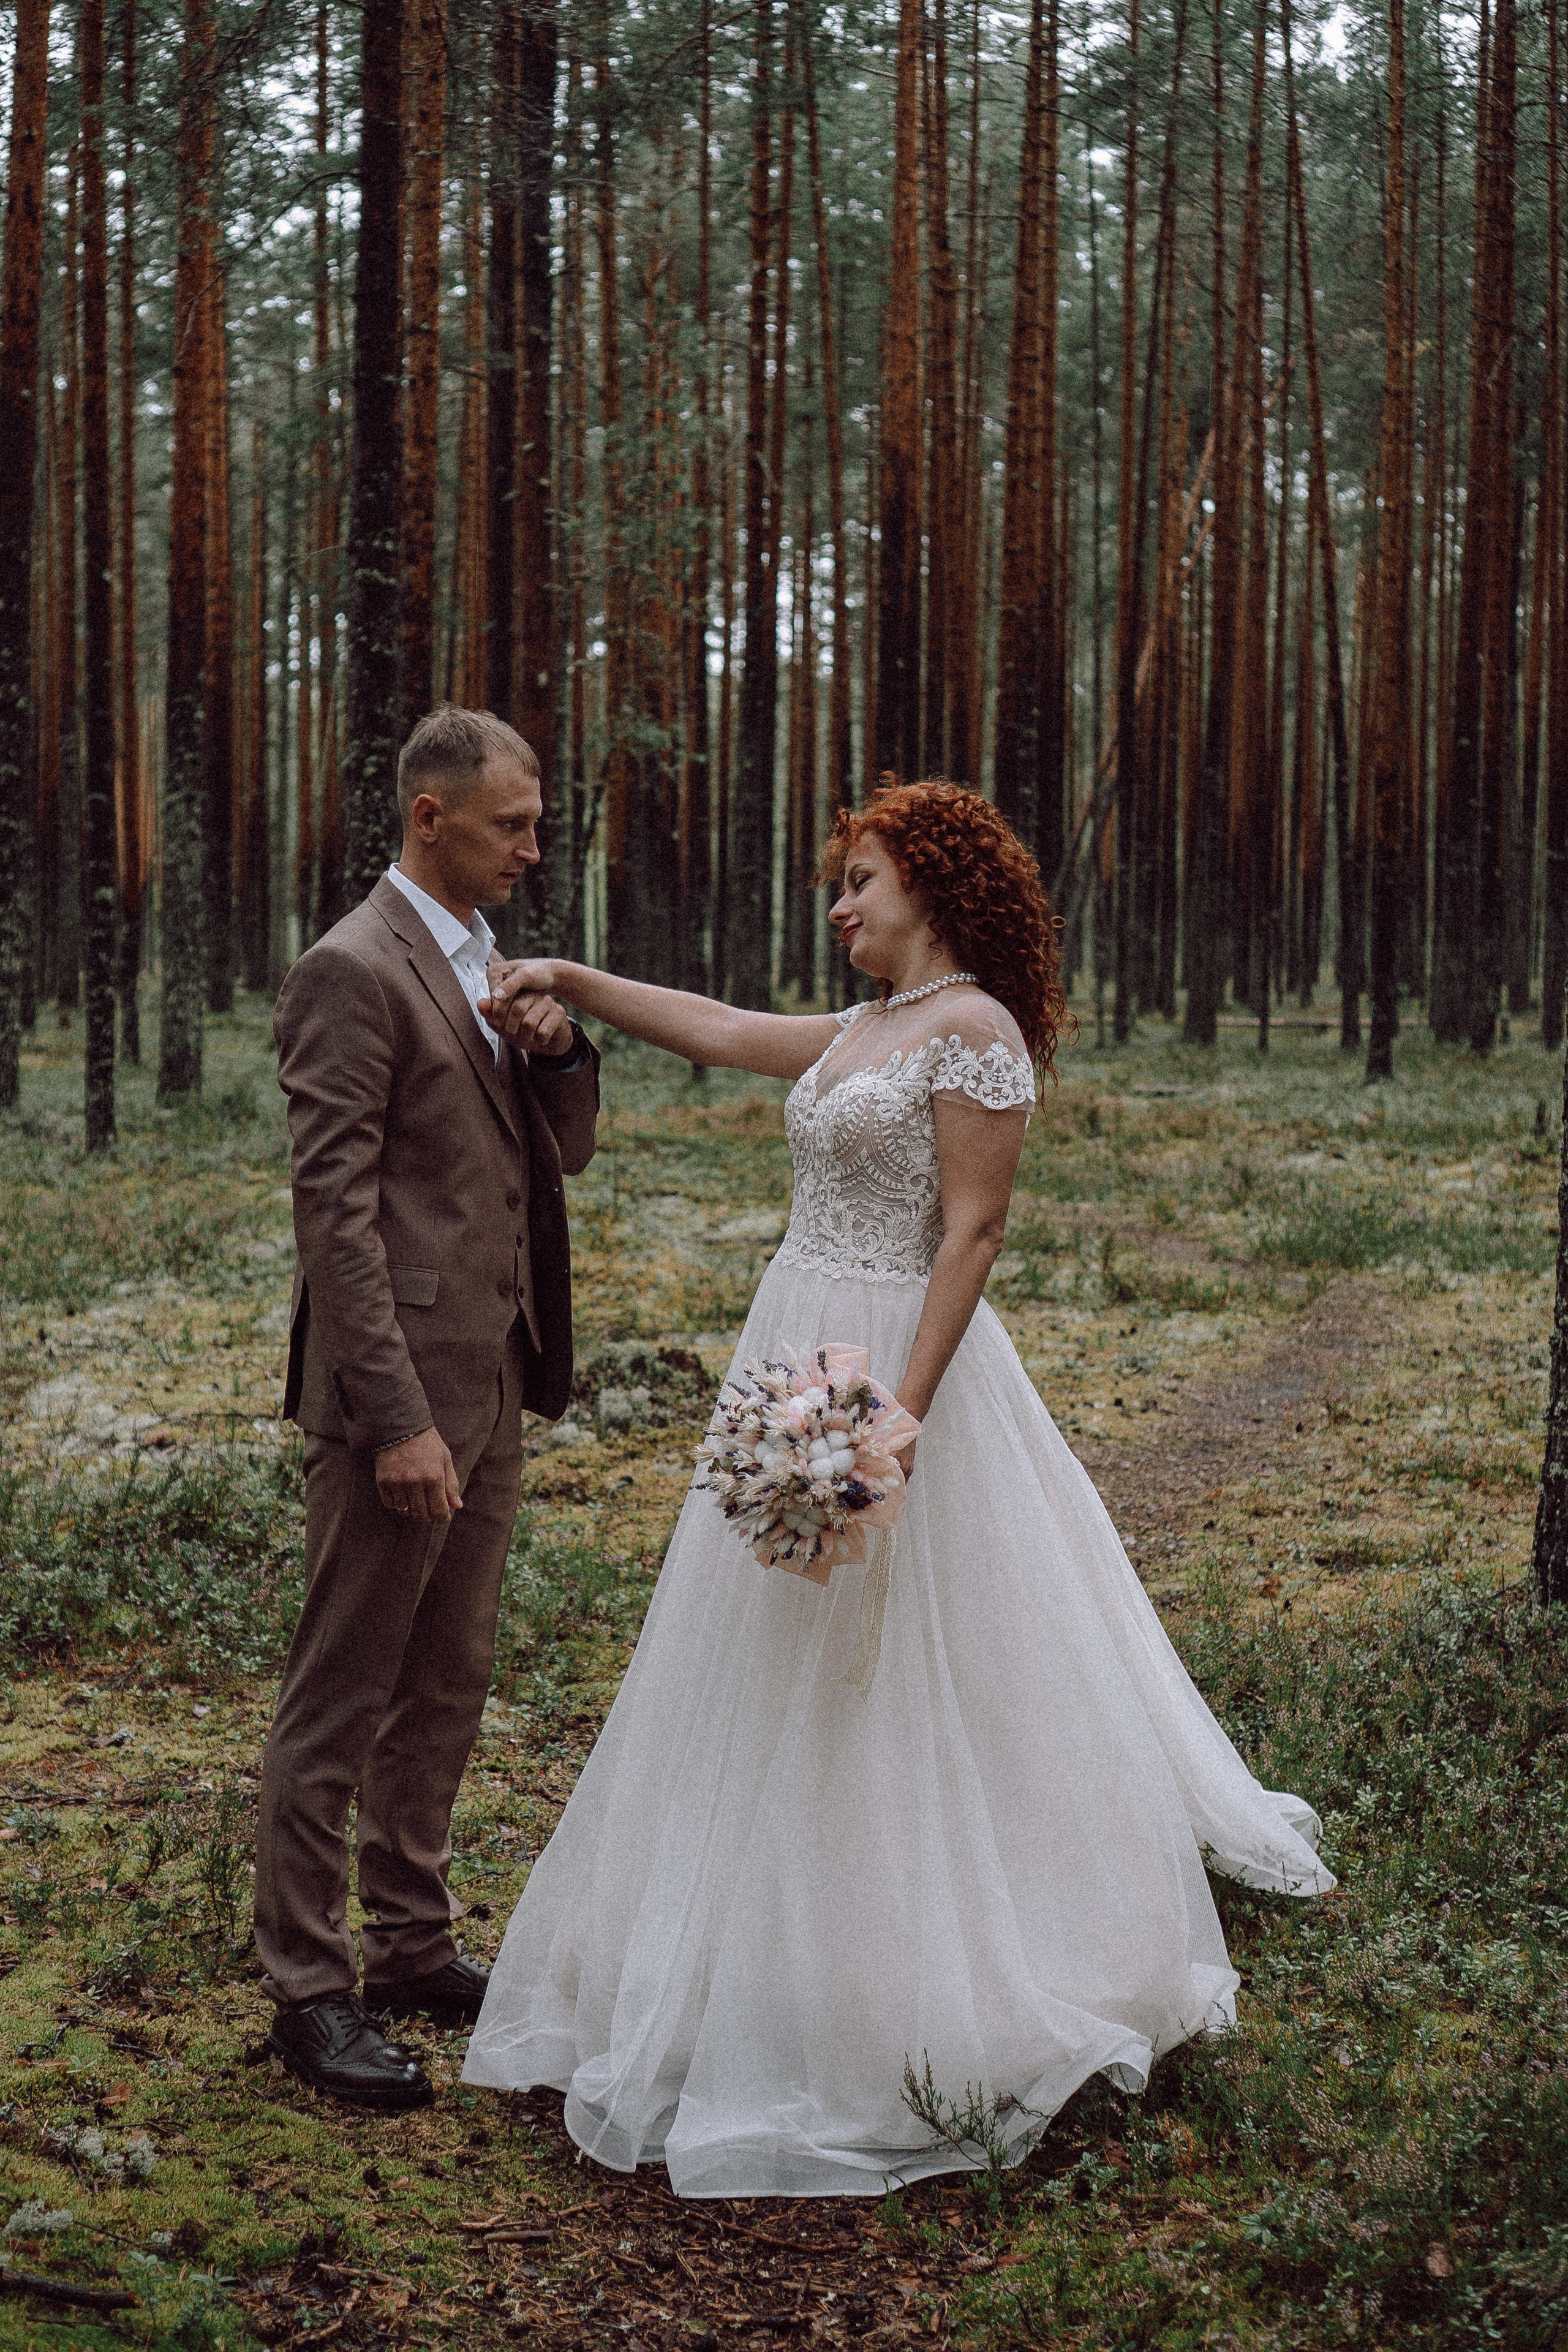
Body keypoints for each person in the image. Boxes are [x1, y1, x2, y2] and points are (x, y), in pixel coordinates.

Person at [466, 780, 1332, 2196]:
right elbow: (727, 1029)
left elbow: (973, 1234)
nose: (839, 904)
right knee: (767, 1637)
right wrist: (574, 981)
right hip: (791, 1332)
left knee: (912, 1656)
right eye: (837, 882)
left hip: (892, 1362)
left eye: (859, 879)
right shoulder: (863, 1028)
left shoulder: (974, 1032)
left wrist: (899, 1417)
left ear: (927, 884)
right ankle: (759, 1936)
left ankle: (921, 1954)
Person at [255, 706, 600, 2112]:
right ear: (429, 819)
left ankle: (409, 1942)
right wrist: (394, 1419)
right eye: (511, 822)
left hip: (497, 1377)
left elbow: (556, 1153)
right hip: (396, 1398)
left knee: (448, 1683)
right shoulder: (350, 971)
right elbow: (332, 1219)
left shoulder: (484, 965)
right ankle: (306, 1991)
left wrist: (562, 1043)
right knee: (338, 1694)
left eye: (533, 821)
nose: (532, 843)